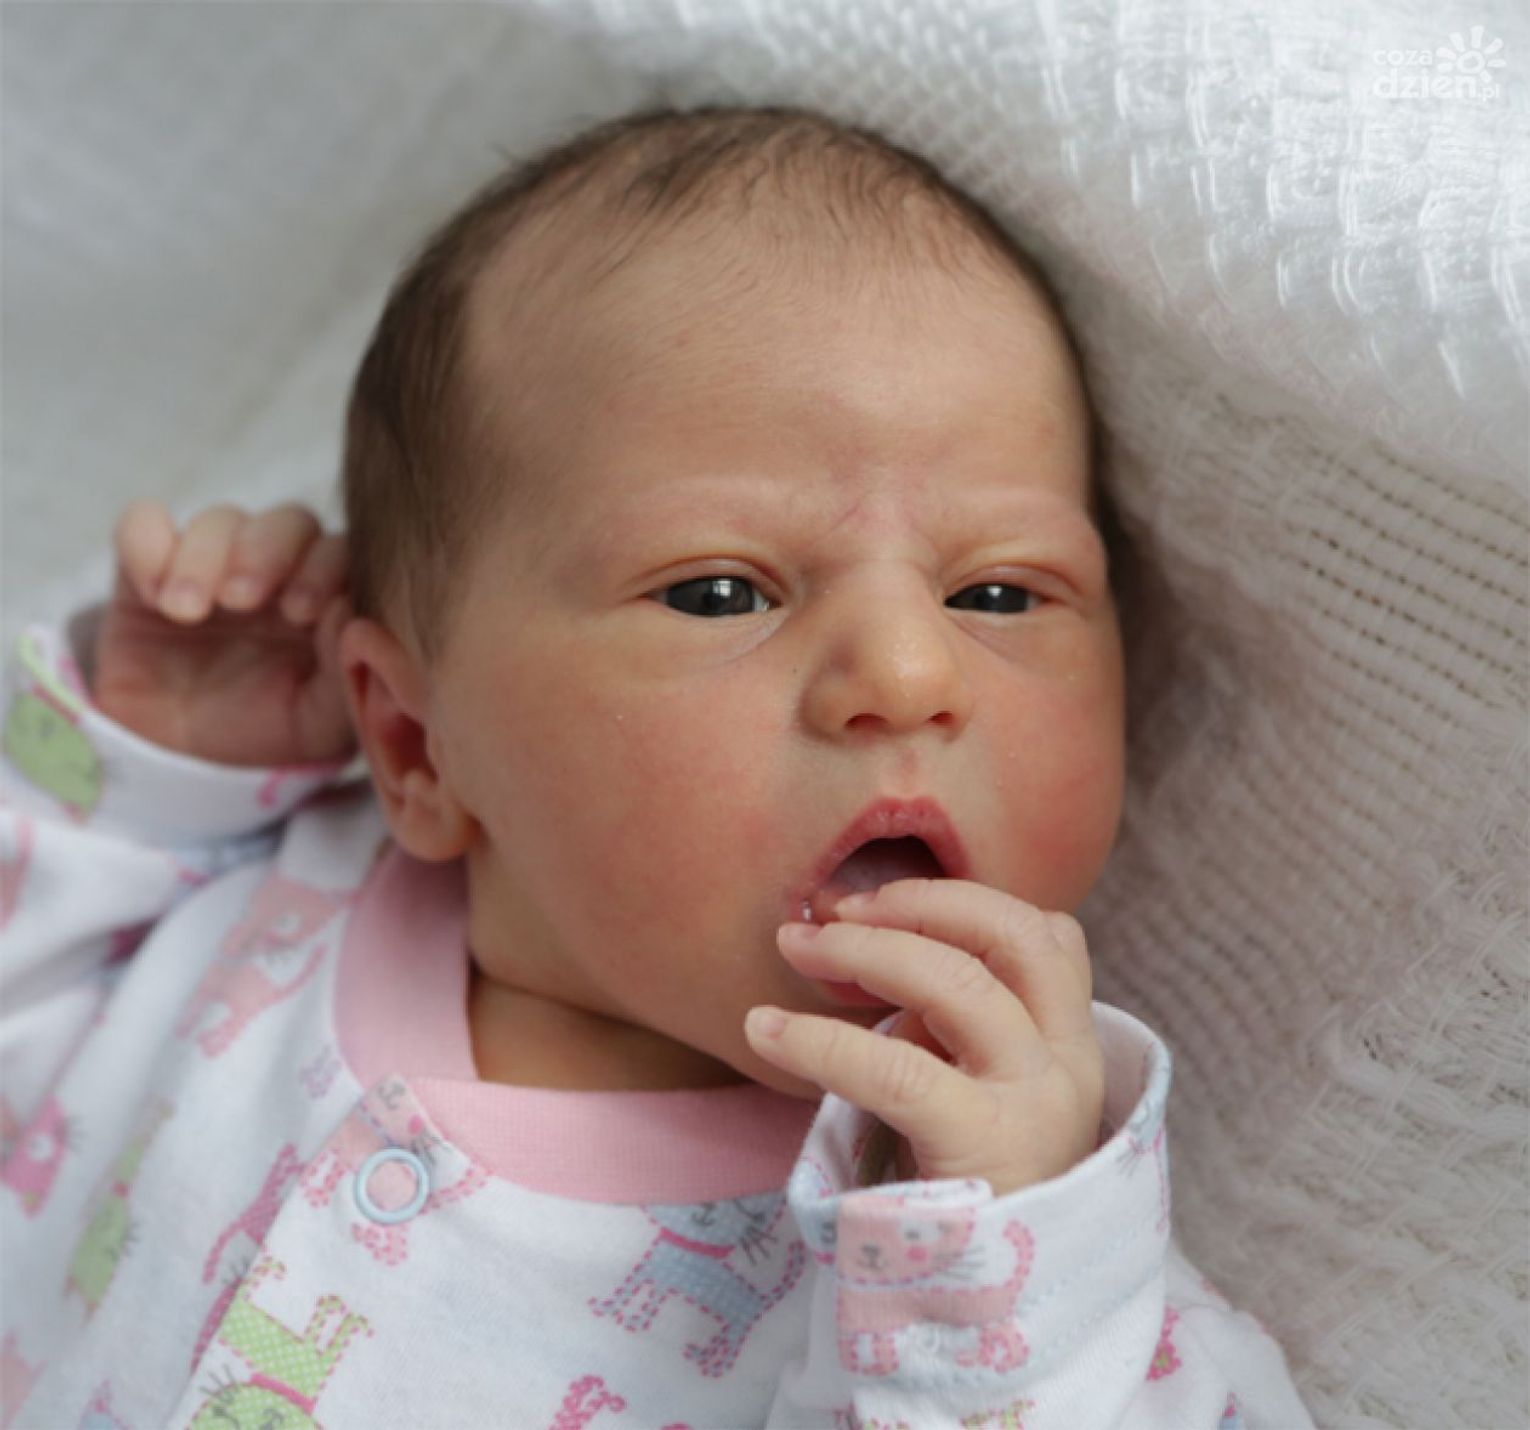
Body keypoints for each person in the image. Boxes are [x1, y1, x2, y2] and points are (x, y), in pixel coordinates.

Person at [0, 104, 1314, 1427]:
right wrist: (141, 785)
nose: (909, 672)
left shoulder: (1028, 1271)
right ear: (410, 742)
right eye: (720, 592)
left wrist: (997, 1290)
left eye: (1000, 594)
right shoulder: (265, 910)